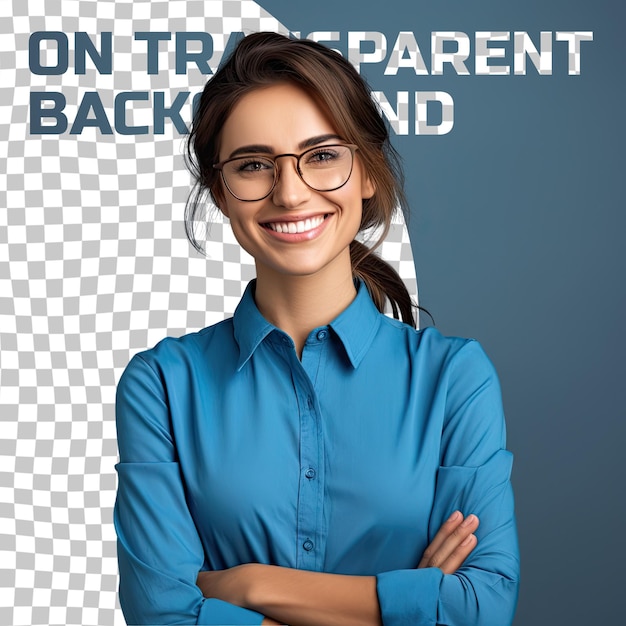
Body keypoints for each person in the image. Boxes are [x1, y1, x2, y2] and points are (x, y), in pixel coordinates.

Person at [114, 32, 519, 626]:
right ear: (221, 193)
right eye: (253, 165)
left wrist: (251, 587)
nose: (290, 191)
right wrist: (407, 602)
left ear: (368, 173)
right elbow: (163, 615)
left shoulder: (455, 379)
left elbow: (481, 608)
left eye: (323, 155)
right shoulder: (162, 386)